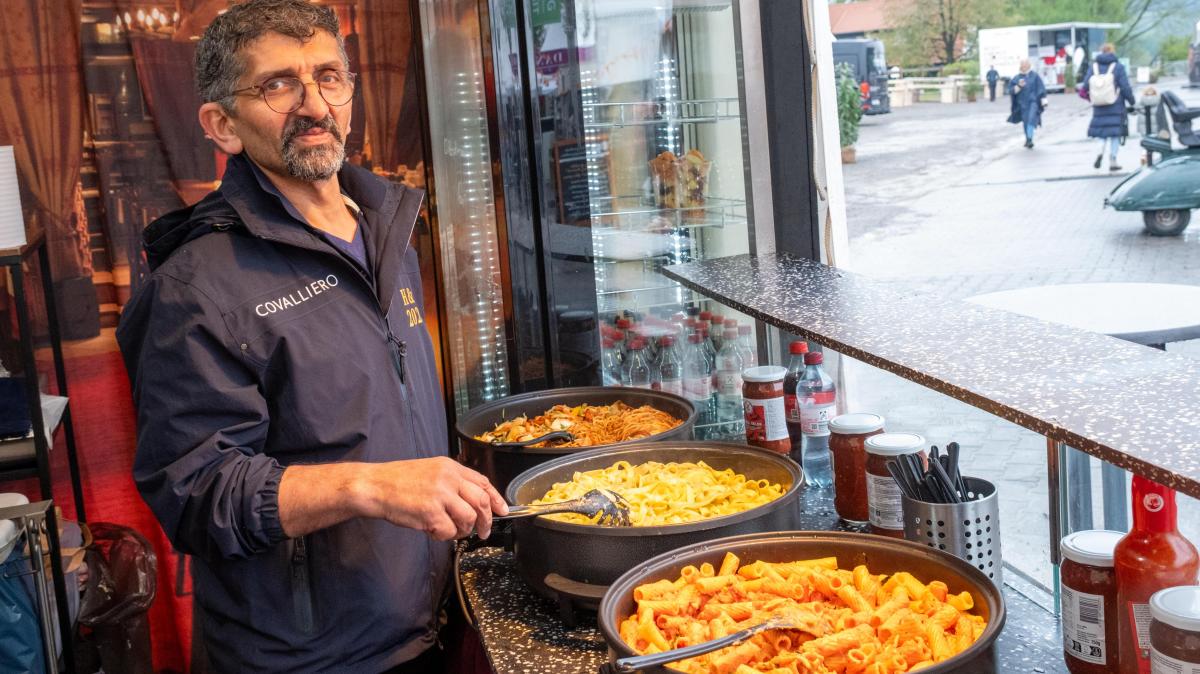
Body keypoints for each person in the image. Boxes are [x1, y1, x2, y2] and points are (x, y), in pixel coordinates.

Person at [115, 1, 507, 671]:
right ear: (223, 125)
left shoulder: (385, 224)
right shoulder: (193, 287)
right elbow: (197, 493)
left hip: (427, 615)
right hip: (308, 655)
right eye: (278, 84)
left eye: (329, 76)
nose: (313, 103)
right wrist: (371, 487)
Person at [1080, 43, 1136, 171]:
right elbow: (1125, 87)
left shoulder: (1093, 67)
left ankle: (1100, 152)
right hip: (1116, 104)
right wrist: (1132, 101)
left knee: (1102, 134)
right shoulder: (1118, 67)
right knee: (1115, 134)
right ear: (1112, 52)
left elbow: (1084, 88)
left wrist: (1091, 98)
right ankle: (1113, 160)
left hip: (1099, 106)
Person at [1007, 60, 1046, 148]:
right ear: (1020, 66)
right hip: (1022, 104)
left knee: (1031, 119)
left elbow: (1041, 89)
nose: (1024, 66)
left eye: (1026, 65)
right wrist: (1019, 86)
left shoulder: (1035, 76)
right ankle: (1028, 139)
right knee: (1026, 121)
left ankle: (1029, 139)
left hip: (1033, 102)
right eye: (1023, 65)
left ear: (1029, 65)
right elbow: (1010, 90)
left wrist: (1044, 101)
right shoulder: (1017, 78)